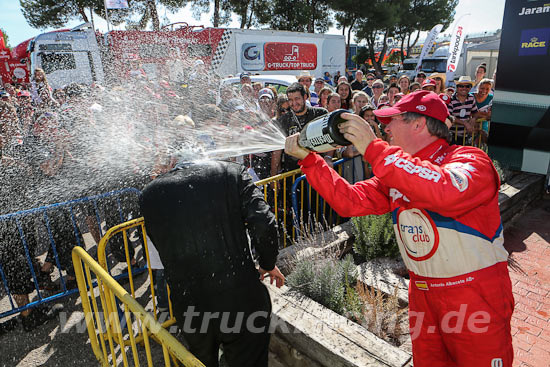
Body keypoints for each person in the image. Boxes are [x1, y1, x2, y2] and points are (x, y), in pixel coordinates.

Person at [284, 90, 513, 367]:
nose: (385, 128)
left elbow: (446, 190)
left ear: (419, 124)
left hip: (473, 293)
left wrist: (374, 149)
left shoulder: (470, 159)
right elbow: (349, 202)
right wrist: (310, 161)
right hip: (423, 292)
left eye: (393, 120)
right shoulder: (396, 172)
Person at [140, 159, 284, 367]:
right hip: (240, 300)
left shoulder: (149, 194)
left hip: (188, 304)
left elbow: (159, 242)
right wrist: (267, 263)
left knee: (200, 361)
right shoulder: (230, 173)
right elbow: (264, 222)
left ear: (171, 160)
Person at [448, 76, 480, 144]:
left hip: (466, 136)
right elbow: (449, 116)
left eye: (467, 86)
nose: (464, 88)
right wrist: (465, 123)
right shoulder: (451, 99)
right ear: (457, 87)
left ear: (470, 88)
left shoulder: (471, 98)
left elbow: (475, 112)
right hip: (452, 135)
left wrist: (474, 119)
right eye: (461, 86)